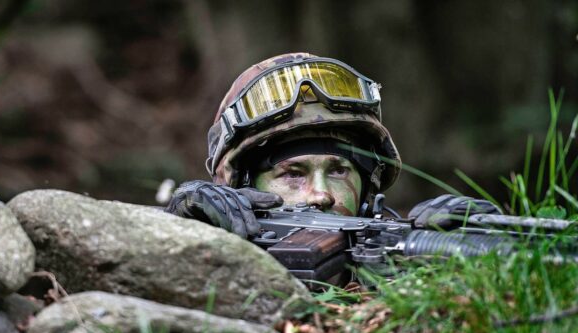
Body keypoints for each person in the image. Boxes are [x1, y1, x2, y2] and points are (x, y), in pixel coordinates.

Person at [166, 52, 499, 236]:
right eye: (293, 174)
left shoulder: (404, 272)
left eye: (338, 170)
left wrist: (484, 245)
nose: (321, 195)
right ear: (242, 190)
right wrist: (179, 228)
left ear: (367, 189)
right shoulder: (211, 269)